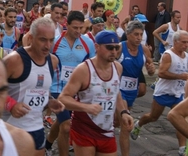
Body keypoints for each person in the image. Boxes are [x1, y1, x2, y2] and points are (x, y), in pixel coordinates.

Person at [58, 31, 134, 156]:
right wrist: (86, 107)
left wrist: (123, 112)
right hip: (84, 129)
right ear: (97, 47)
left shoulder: (118, 67)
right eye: (109, 47)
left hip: (106, 130)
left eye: (117, 48)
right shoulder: (83, 70)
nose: (114, 51)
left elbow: (116, 93)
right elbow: (63, 98)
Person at [3, 17, 65, 156]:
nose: (47, 45)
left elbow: (39, 89)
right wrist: (11, 104)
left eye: (51, 40)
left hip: (36, 127)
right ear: (31, 38)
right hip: (11, 127)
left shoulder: (53, 61)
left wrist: (49, 100)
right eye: (43, 39)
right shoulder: (14, 60)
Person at [45, 11, 96, 156]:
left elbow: (92, 65)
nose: (78, 31)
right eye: (75, 28)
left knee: (63, 122)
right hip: (57, 89)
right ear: (66, 25)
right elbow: (45, 63)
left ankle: (47, 144)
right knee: (66, 126)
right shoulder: (55, 42)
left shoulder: (88, 43)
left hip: (78, 90)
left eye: (81, 28)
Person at [130, 30, 188, 156]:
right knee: (153, 117)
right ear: (175, 41)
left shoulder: (187, 56)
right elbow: (161, 73)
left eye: (187, 42)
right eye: (183, 42)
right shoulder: (168, 55)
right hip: (164, 92)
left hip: (178, 93)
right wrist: (180, 76)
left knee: (180, 119)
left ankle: (182, 148)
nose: (186, 45)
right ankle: (138, 124)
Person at [116, 20, 155, 156]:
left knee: (117, 122)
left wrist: (151, 70)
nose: (139, 37)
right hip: (118, 91)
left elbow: (151, 70)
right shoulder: (120, 48)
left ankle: (100, 131)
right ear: (128, 34)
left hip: (132, 91)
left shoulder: (144, 50)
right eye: (136, 34)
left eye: (141, 34)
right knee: (126, 126)